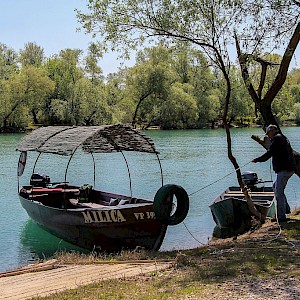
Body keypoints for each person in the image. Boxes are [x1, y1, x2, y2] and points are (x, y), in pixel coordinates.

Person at [252, 124, 296, 222]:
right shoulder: (281, 138)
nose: (268, 135)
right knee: (275, 188)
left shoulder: (277, 139)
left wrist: (257, 160)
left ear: (273, 131)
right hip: (288, 168)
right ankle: (286, 210)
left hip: (285, 170)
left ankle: (281, 217)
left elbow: (269, 153)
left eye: (268, 133)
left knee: (279, 192)